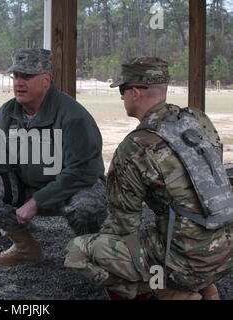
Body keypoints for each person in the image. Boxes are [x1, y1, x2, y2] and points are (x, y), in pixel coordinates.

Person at [64, 57, 232, 300]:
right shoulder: (198, 120)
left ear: (135, 93)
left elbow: (124, 228)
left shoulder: (134, 147)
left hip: (188, 263)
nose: (121, 97)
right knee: (180, 222)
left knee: (78, 252)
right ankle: (207, 288)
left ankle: (171, 291)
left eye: (122, 91)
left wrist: (99, 239)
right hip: (227, 253)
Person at [0, 48, 107, 267]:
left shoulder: (73, 116)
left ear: (46, 80)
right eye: (16, 76)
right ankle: (25, 248)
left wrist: (36, 202)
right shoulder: (7, 114)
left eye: (28, 76)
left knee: (88, 203)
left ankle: (90, 248)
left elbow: (82, 172)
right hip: (28, 187)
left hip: (69, 191)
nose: (19, 83)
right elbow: (1, 162)